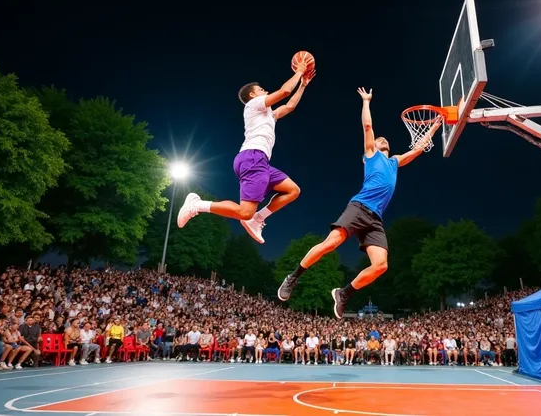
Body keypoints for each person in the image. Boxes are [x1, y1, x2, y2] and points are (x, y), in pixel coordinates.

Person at [276, 87, 442, 318]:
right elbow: (367, 127)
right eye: (378, 138)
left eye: (385, 139)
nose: (381, 138)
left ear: (390, 147)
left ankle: (344, 293)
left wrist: (433, 126)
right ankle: (293, 277)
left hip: (375, 219)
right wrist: (366, 101)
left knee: (381, 265)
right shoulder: (371, 154)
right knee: (331, 244)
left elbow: (418, 148)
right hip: (359, 207)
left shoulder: (394, 161)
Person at [177, 60, 316, 244]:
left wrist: (303, 85)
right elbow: (284, 92)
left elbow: (289, 106)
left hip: (261, 162)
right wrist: (298, 72)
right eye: (261, 90)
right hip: (252, 158)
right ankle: (197, 205)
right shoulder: (253, 105)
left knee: (293, 190)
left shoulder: (268, 114)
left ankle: (258, 219)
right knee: (244, 212)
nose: (265, 91)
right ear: (253, 95)